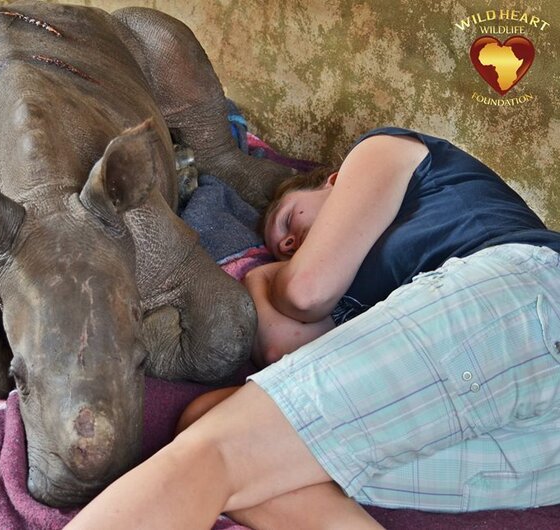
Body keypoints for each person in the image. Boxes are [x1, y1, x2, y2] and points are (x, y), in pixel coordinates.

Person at [65, 127, 560, 529]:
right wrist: (263, 279)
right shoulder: (371, 305)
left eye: (286, 220)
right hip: (536, 422)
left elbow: (306, 293)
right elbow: (288, 359)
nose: (288, 244)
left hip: (524, 292)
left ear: (329, 181)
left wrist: (269, 279)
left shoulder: (384, 151)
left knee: (217, 454)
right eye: (283, 248)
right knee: (208, 419)